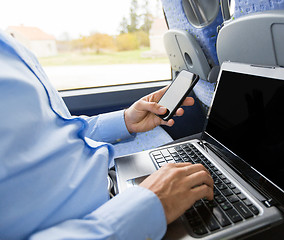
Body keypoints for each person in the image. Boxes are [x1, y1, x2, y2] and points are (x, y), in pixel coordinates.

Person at [0, 30, 214, 239]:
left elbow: (54, 131)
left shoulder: (9, 45)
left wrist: (126, 120)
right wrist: (149, 204)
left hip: (114, 186)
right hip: (117, 221)